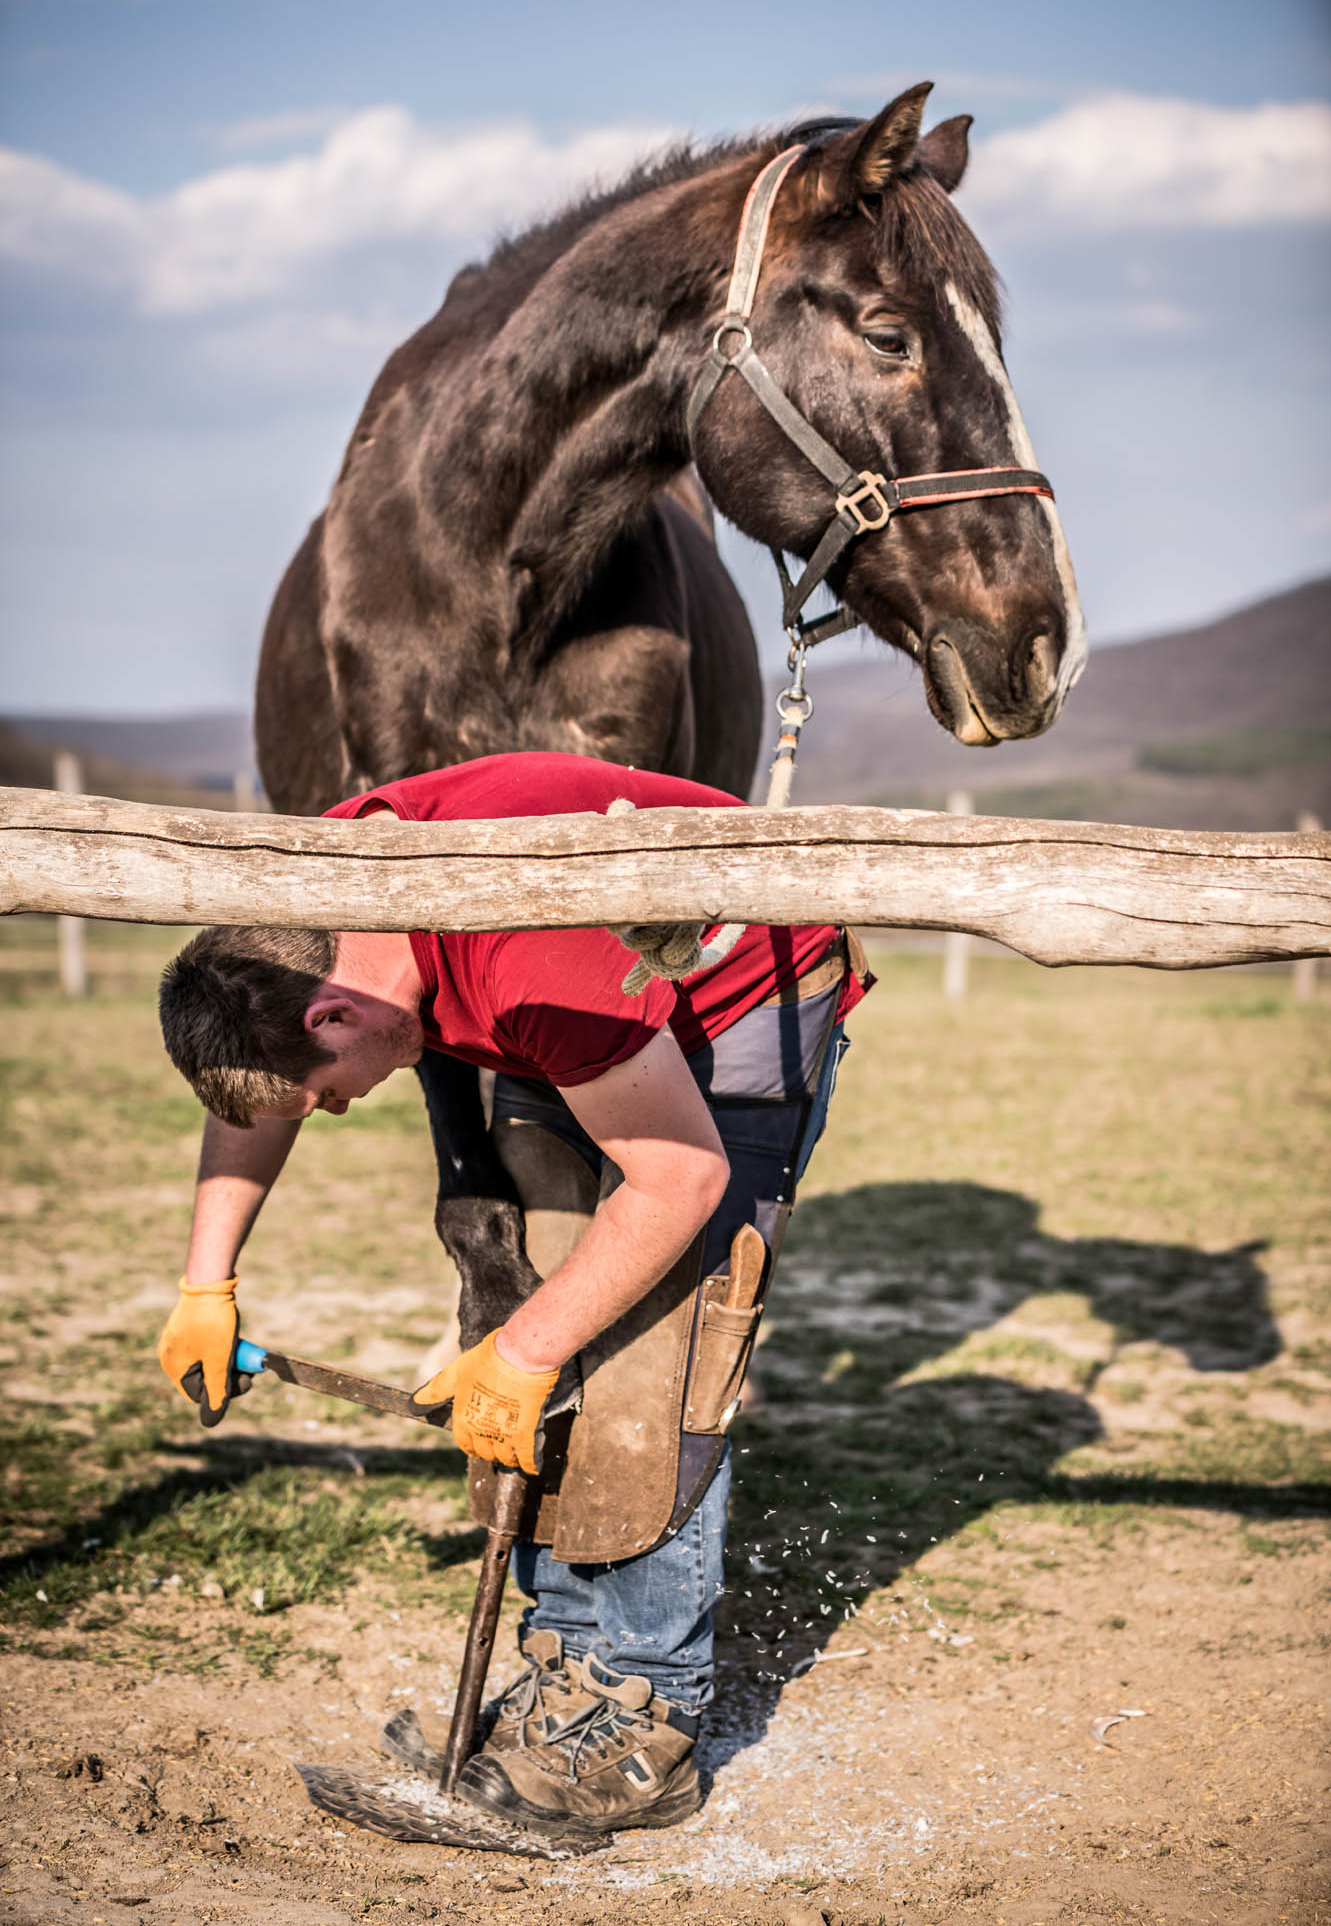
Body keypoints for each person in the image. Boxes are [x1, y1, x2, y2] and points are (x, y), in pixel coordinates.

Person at [155, 752, 871, 1839]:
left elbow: (681, 1179)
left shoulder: (522, 951)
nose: (337, 1112)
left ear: (334, 1017)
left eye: (328, 1099)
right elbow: (265, 1090)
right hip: (581, 988)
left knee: (650, 1331)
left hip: (737, 986)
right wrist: (207, 1279)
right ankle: (567, 1664)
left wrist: (531, 1350)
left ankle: (642, 1713)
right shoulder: (303, 918)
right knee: (535, 1279)